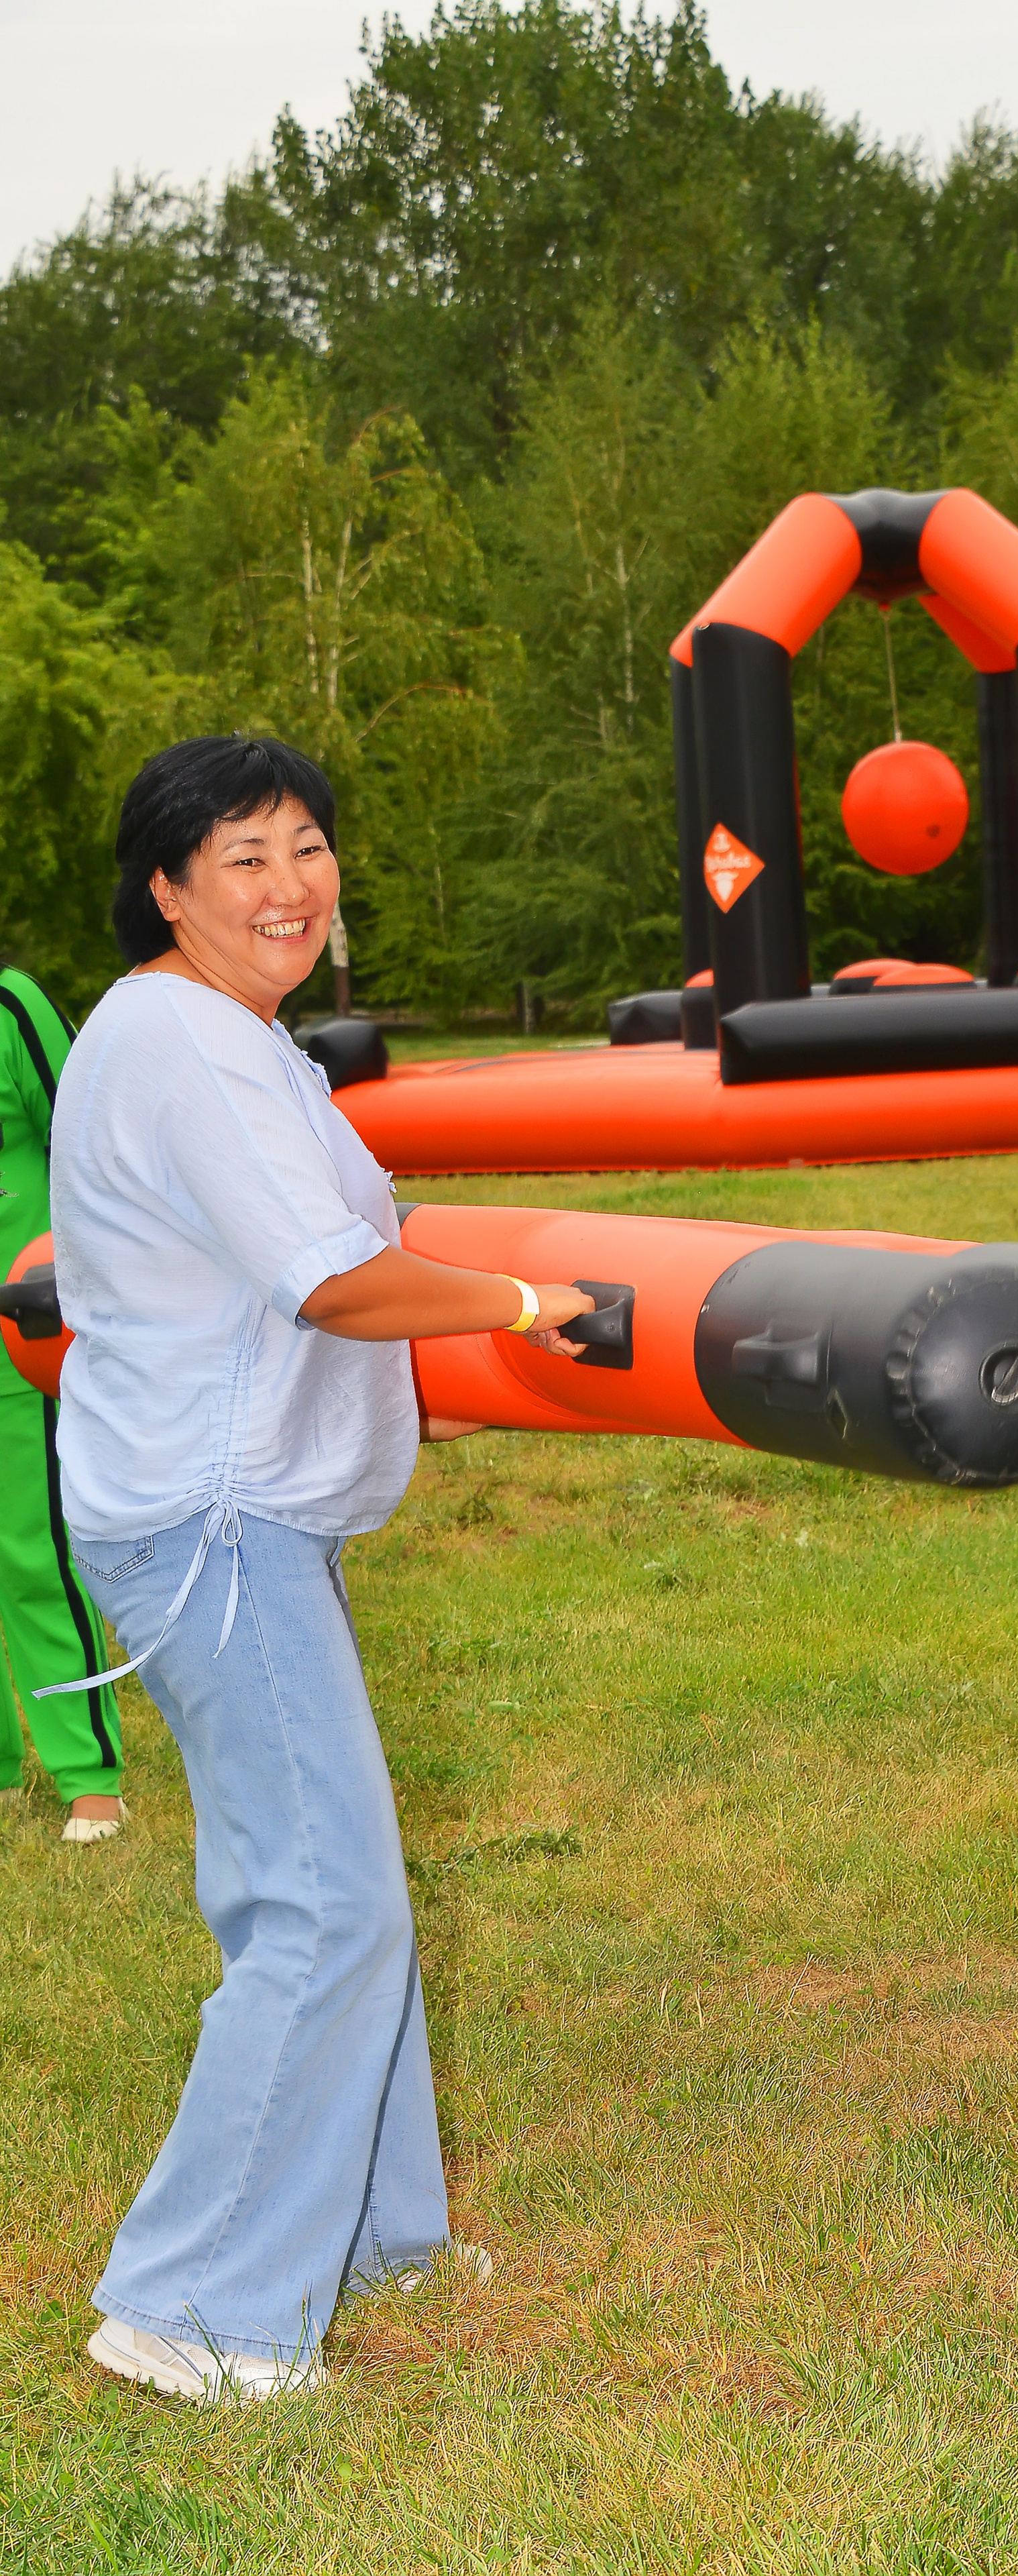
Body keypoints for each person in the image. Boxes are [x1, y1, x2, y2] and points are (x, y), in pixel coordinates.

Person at [46, 735, 596, 2402]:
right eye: (242, 859)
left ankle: (370, 2231)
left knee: (326, 1883)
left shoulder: (235, 1040)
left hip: (238, 1514)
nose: (288, 887)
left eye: (306, 847)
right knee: (321, 1902)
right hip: (215, 1527)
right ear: (166, 888)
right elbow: (332, 1281)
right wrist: (517, 1311)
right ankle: (194, 2304)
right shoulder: (189, 1047)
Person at [0, 967, 126, 1841]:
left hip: (19, 1321)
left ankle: (88, 1777)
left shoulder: (12, 1001)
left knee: (34, 1555)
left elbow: (86, 1133)